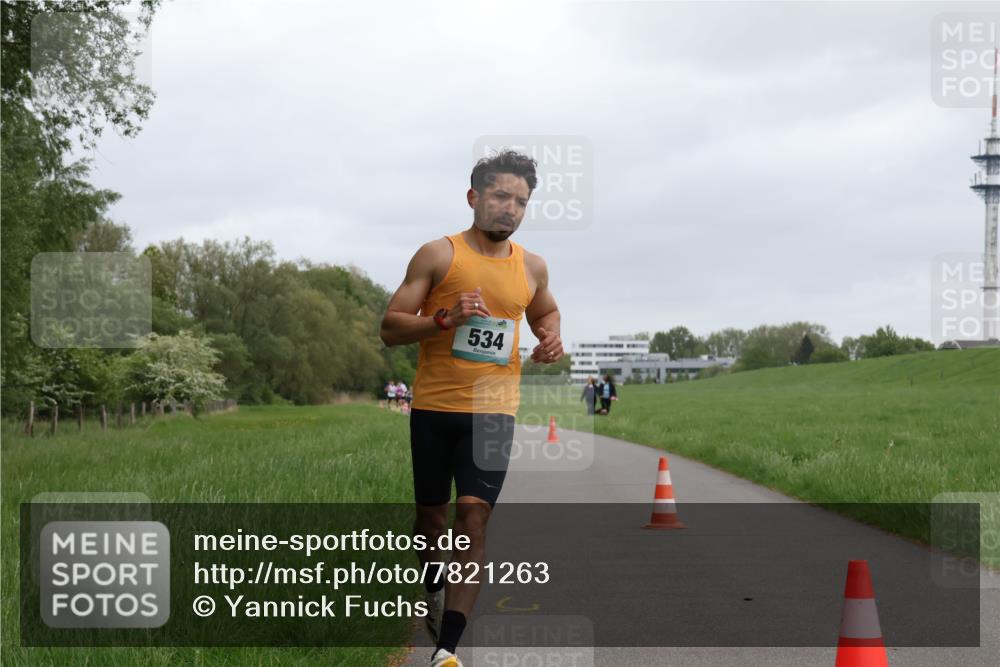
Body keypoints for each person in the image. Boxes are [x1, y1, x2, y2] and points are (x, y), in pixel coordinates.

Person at [379, 150, 563, 667]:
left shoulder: (532, 266)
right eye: (501, 196)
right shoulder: (438, 255)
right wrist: (443, 319)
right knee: (431, 518)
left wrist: (550, 336)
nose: (511, 209)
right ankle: (433, 588)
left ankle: (447, 648)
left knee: (473, 516)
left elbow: (545, 310)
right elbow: (390, 327)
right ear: (473, 198)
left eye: (521, 202)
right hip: (435, 408)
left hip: (494, 412)